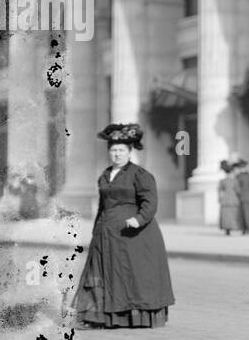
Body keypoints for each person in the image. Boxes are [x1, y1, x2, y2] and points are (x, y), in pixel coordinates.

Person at [74, 123, 175, 329]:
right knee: (103, 273)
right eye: (113, 150)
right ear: (109, 152)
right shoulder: (105, 175)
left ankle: (130, 317)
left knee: (130, 274)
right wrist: (96, 231)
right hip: (106, 233)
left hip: (134, 235)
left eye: (121, 150)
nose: (117, 154)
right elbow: (103, 205)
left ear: (130, 152)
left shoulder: (140, 175)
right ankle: (99, 317)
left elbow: (150, 202)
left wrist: (139, 219)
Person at [217, 159, 240, 236]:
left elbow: (220, 191)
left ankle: (227, 229)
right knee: (232, 213)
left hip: (225, 199)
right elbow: (238, 191)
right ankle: (232, 226)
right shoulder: (235, 181)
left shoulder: (222, 181)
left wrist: (220, 199)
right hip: (233, 199)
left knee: (225, 214)